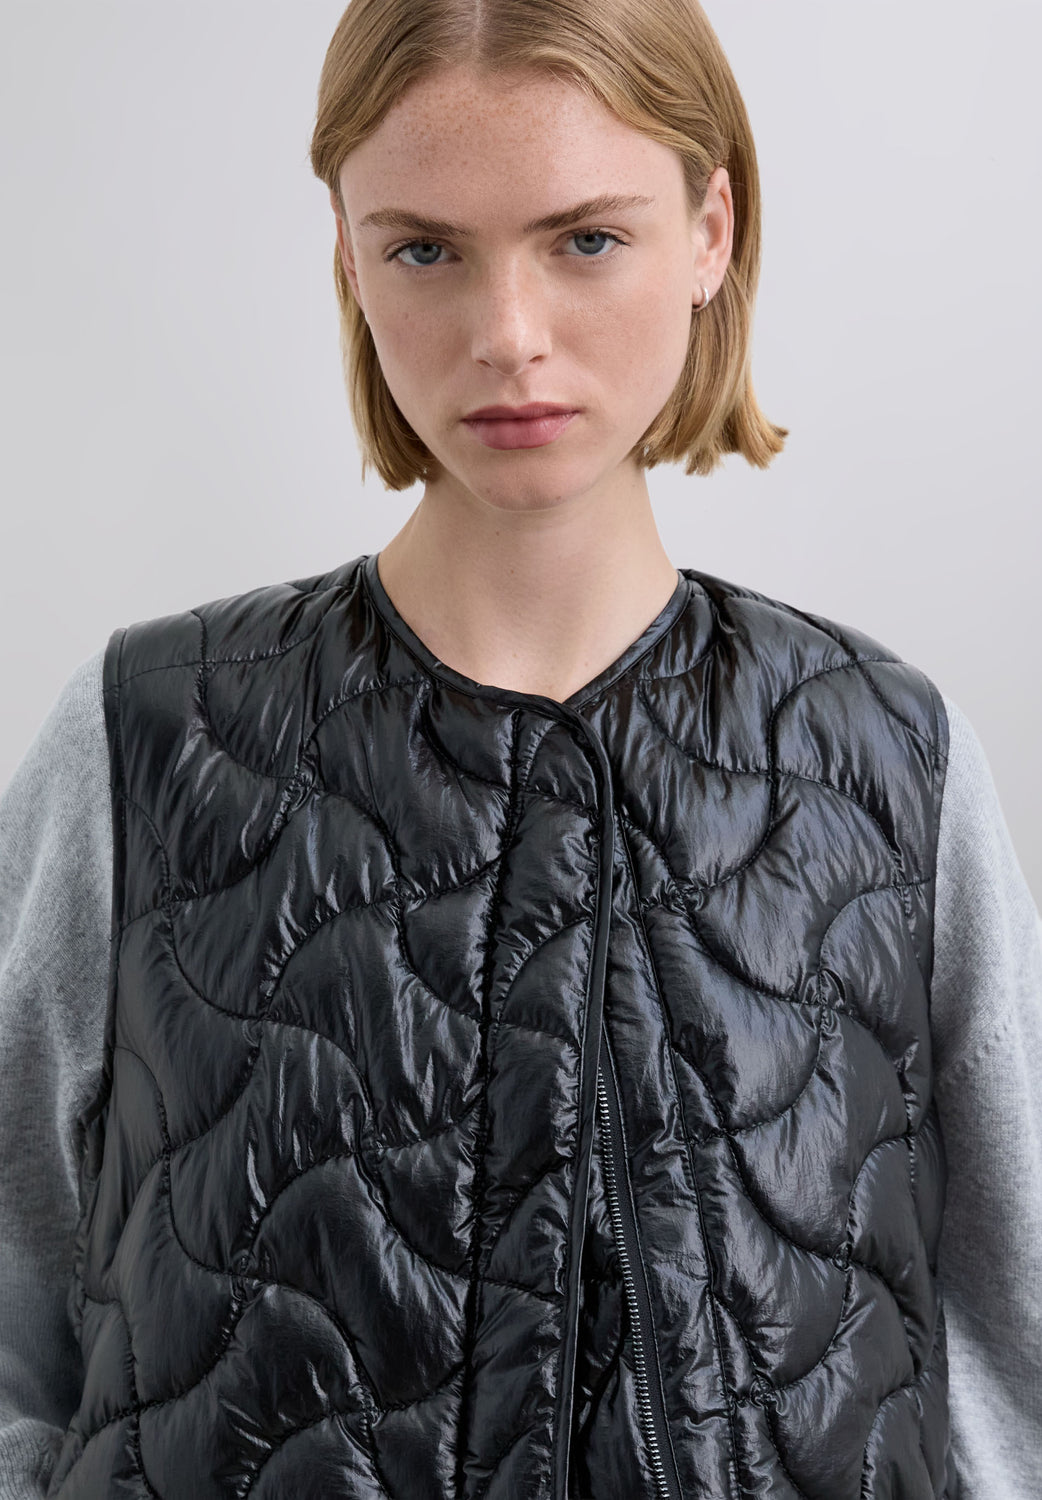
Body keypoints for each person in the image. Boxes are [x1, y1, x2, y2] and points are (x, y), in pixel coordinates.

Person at [1, 0, 1040, 1495]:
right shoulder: (141, 739)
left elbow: (1008, 1369)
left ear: (710, 231)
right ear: (346, 253)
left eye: (586, 240)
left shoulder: (893, 759)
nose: (508, 334)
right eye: (425, 249)